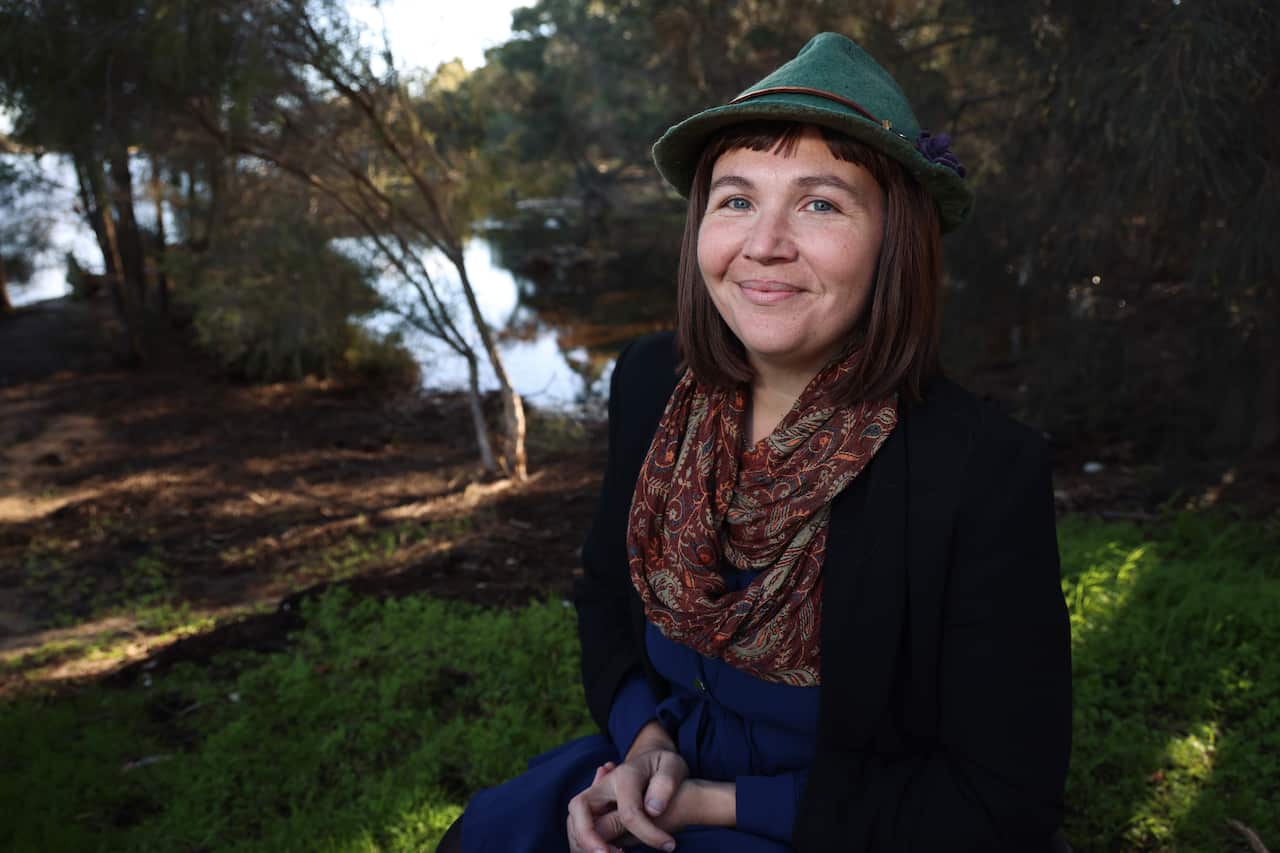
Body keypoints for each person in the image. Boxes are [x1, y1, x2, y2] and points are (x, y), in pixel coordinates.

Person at [438, 32, 1071, 853]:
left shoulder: (980, 472)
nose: (763, 243)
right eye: (736, 199)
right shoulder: (647, 382)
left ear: (896, 242)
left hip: (841, 824)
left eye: (820, 203)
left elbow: (998, 798)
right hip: (654, 773)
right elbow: (605, 597)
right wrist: (646, 745)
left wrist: (711, 805)